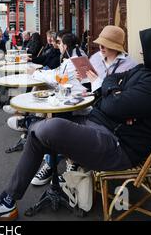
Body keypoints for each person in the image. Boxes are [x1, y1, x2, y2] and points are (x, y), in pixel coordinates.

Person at [0, 25, 151, 221]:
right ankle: (8, 200)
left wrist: (114, 93)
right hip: (102, 124)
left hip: (119, 146)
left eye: (148, 48)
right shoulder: (146, 71)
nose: (143, 53)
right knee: (45, 128)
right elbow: (110, 83)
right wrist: (114, 91)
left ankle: (30, 125)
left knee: (50, 127)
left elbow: (111, 104)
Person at [30, 26, 137, 187]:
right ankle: (56, 162)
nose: (100, 47)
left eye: (105, 44)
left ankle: (62, 161)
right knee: (60, 116)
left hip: (109, 115)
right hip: (91, 103)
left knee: (62, 121)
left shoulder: (129, 65)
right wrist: (83, 80)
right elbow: (87, 84)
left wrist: (96, 84)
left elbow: (124, 97)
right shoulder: (94, 58)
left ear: (116, 46)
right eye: (100, 43)